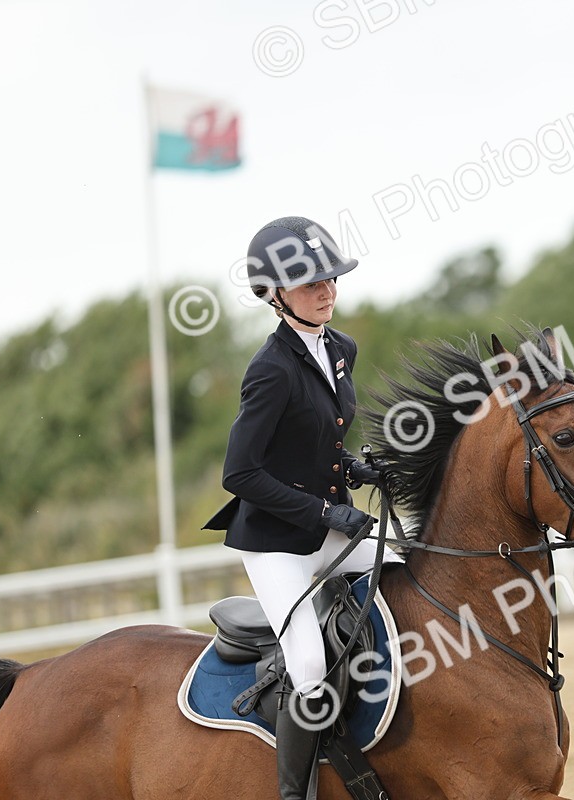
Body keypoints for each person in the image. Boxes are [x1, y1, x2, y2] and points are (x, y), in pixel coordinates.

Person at [203, 216, 402, 800]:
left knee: (412, 570)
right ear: (276, 295)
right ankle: (296, 793)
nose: (327, 290)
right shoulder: (269, 369)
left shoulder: (340, 348)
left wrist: (362, 473)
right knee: (309, 665)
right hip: (276, 543)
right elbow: (240, 472)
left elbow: (320, 446)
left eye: (331, 279)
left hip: (330, 527)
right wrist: (325, 514)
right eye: (311, 283)